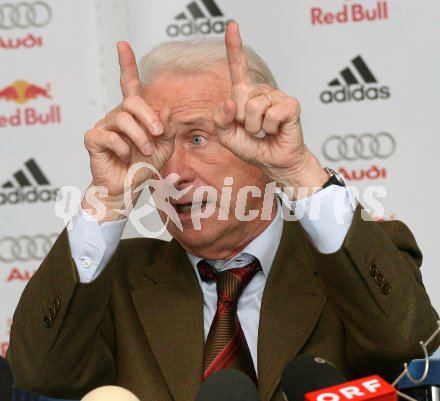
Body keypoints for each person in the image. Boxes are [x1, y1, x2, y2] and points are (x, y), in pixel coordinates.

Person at [7, 22, 439, 401]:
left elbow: (409, 344)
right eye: (154, 148)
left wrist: (297, 170)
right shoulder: (114, 284)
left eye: (197, 138)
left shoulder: (354, 258)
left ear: (261, 138)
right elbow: (37, 374)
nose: (172, 173)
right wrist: (108, 199)